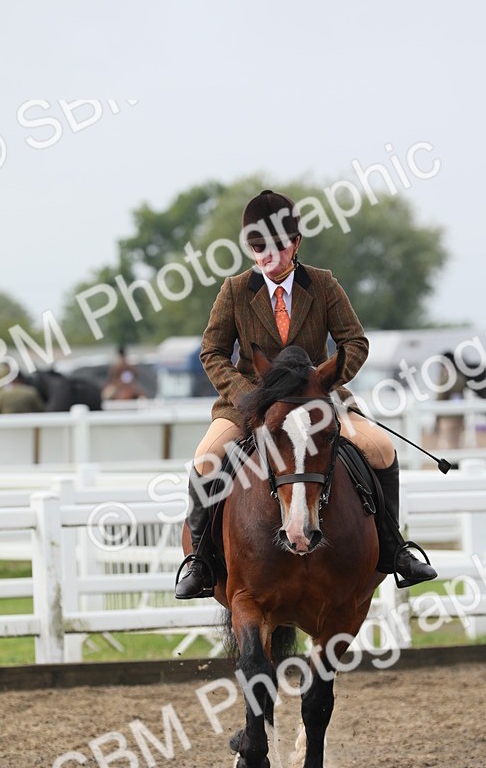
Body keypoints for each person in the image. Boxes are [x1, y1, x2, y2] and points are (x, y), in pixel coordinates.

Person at [174, 189, 437, 600]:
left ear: (295, 243)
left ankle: (394, 549)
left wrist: (322, 382)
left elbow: (355, 342)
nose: (267, 257)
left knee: (381, 448)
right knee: (206, 459)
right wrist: (249, 396)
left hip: (319, 400)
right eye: (257, 248)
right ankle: (201, 562)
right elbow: (212, 351)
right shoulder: (235, 290)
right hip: (250, 403)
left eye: (277, 247)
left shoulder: (323, 284)